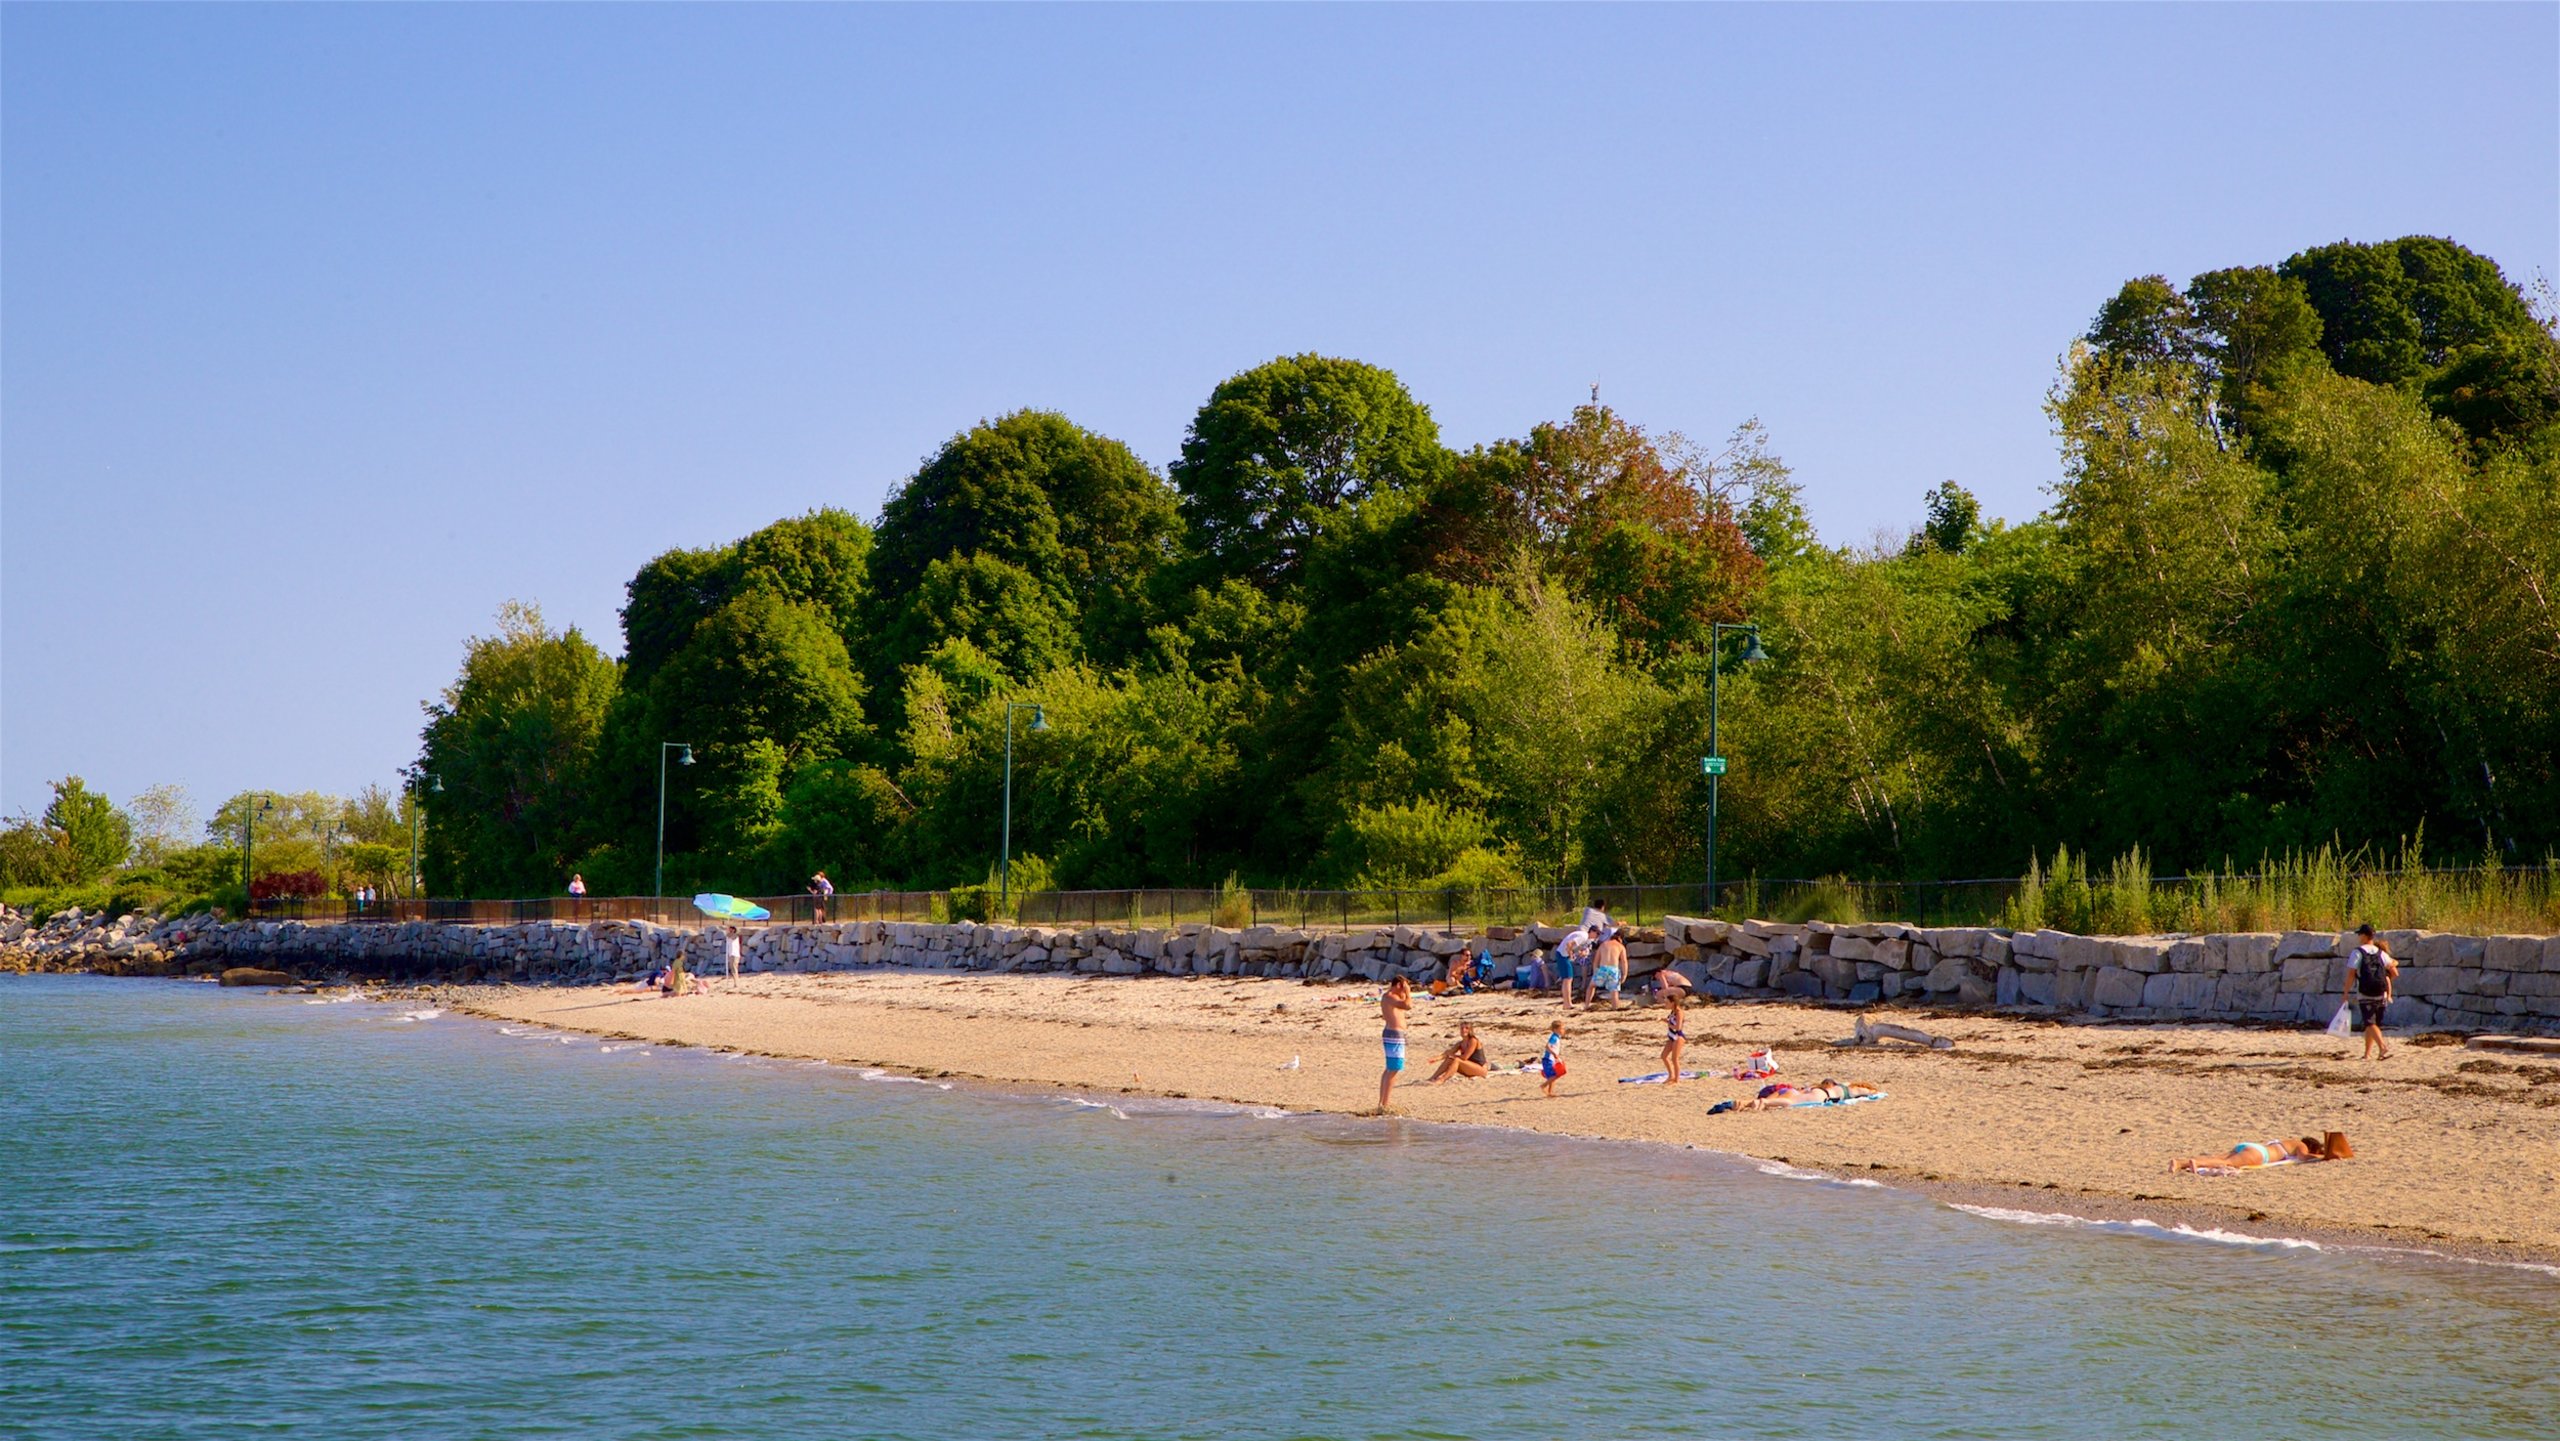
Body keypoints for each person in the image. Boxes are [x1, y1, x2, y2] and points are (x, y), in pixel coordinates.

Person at [2342, 923, 2397, 1061]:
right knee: (2373, 1024)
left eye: (2360, 934)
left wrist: (2346, 992)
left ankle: (2383, 1047)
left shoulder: (2358, 952)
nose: (2358, 936)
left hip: (2365, 992)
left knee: (2369, 1023)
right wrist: (2385, 982)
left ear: (2365, 936)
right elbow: (2394, 972)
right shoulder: (2381, 953)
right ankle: (2367, 1054)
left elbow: (2351, 974)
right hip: (2381, 993)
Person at [2171, 1132, 2352, 1173]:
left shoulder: (2287, 1140)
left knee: (2220, 1157)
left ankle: (2180, 1163)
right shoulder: (2300, 1145)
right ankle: (2198, 1164)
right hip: (2260, 1154)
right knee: (2229, 1163)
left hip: (2249, 1145)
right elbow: (2304, 1157)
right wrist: (2323, 1156)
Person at [1378, 976, 1413, 1112]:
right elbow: (1408, 1005)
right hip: (1393, 1035)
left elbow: (1404, 1003)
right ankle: (1384, 1103)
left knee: (1391, 1069)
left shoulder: (1396, 997)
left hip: (1396, 1035)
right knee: (1393, 1069)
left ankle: (1383, 1102)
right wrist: (1408, 992)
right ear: (1398, 985)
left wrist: (1404, 992)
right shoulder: (1390, 997)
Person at [1738, 1078, 1878, 1110]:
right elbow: (1871, 1092)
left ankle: (1761, 1103)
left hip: (1818, 1093)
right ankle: (1765, 1102)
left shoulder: (1844, 1085)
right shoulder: (1851, 1091)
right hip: (1821, 1097)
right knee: (1791, 1103)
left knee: (1791, 1099)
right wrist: (1871, 1091)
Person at [1425, 1020, 1491, 1083]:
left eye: (1466, 1028)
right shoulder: (1460, 1043)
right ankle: (1433, 1077)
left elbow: (1465, 1057)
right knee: (1450, 1059)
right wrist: (1436, 1059)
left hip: (1481, 1069)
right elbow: (1448, 1052)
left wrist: (1453, 1056)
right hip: (1469, 1067)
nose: (1463, 1030)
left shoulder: (1473, 1041)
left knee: (1456, 1060)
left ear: (1470, 1030)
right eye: (1462, 1028)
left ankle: (1442, 1079)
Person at [1590, 927, 1628, 1007]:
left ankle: (1586, 1005)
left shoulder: (1603, 944)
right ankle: (1615, 1007)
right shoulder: (1621, 947)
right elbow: (1624, 962)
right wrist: (1624, 974)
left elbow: (1596, 961)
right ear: (1620, 938)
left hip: (1603, 968)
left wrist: (1595, 972)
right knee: (1614, 991)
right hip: (1613, 970)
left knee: (1591, 986)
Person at [1660, 991, 1688, 1084]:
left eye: (1667, 1002)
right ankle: (1671, 1075)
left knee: (1674, 1059)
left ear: (1673, 1003)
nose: (1665, 1004)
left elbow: (1678, 1027)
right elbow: (1672, 1022)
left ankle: (1676, 1079)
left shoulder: (1679, 1012)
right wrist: (1665, 1020)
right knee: (1663, 1056)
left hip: (1678, 1037)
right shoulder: (1673, 1012)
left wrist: (1668, 1023)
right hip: (1671, 1037)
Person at [1539, 1020, 1566, 1098]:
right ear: (1555, 1030)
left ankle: (1550, 1092)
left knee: (1552, 1076)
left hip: (1552, 1059)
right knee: (1555, 1075)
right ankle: (1543, 1086)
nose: (1563, 1030)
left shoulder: (1557, 1037)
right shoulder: (1554, 1037)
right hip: (1548, 1059)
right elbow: (1547, 1046)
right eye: (1561, 1029)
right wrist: (1554, 1053)